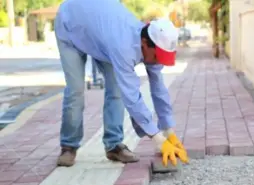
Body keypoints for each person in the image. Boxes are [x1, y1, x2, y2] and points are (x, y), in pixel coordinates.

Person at [54, 0, 189, 167]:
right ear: (145, 44)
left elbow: (159, 89)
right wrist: (157, 138)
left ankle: (113, 146)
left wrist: (168, 131)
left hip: (99, 34)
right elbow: (132, 97)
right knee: (76, 90)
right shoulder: (123, 47)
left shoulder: (150, 43)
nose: (157, 62)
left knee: (116, 88)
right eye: (157, 56)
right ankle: (68, 146)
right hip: (71, 25)